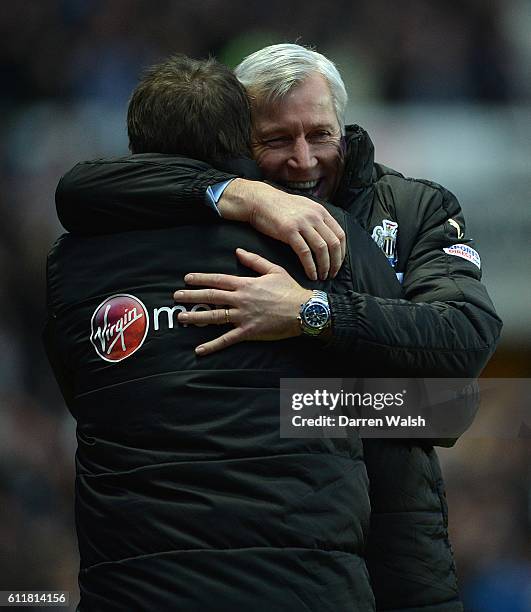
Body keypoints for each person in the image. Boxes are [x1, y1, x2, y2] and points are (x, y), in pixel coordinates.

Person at [57, 44, 502, 611]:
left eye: (320, 134)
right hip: (296, 562)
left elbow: (454, 397)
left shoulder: (412, 209)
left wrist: (310, 316)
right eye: (276, 141)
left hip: (397, 568)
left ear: (343, 126)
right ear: (237, 141)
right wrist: (235, 194)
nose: (303, 160)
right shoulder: (213, 228)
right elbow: (80, 189)